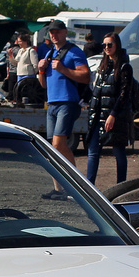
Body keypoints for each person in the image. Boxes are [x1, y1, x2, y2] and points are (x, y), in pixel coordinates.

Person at [37, 19, 91, 198]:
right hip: (52, 103)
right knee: (52, 149)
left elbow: (85, 76)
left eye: (57, 31)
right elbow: (44, 85)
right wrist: (41, 71)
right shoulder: (50, 53)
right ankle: (59, 189)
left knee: (58, 144)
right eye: (51, 32)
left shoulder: (73, 51)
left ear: (65, 32)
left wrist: (63, 69)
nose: (54, 35)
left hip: (68, 102)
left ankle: (76, 185)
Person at [85, 34, 134, 185]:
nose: (106, 48)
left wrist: (113, 114)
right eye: (104, 45)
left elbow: (124, 94)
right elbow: (96, 91)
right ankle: (89, 186)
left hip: (115, 115)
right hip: (97, 114)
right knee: (93, 151)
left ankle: (121, 185)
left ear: (117, 45)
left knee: (118, 151)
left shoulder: (125, 67)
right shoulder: (103, 66)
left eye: (110, 45)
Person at [11, 33, 39, 103]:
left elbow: (35, 64)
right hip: (19, 74)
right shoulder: (20, 51)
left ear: (25, 41)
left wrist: (34, 73)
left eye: (20, 41)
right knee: (19, 91)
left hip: (28, 75)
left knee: (27, 92)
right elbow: (15, 62)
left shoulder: (31, 51)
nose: (19, 43)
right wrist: (10, 56)